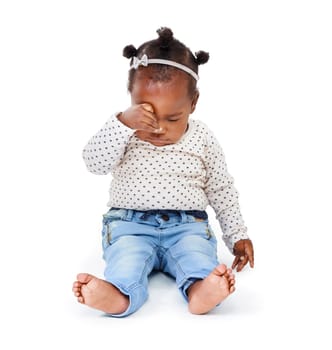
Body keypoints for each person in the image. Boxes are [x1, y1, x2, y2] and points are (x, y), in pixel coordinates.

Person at [72, 27, 254, 317]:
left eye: (172, 118)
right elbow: (93, 163)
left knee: (197, 257)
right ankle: (120, 294)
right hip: (130, 226)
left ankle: (201, 291)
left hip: (187, 227)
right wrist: (122, 123)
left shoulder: (203, 138)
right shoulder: (124, 131)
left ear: (193, 104)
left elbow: (221, 189)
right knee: (126, 259)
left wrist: (237, 235)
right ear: (130, 97)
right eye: (146, 113)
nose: (158, 127)